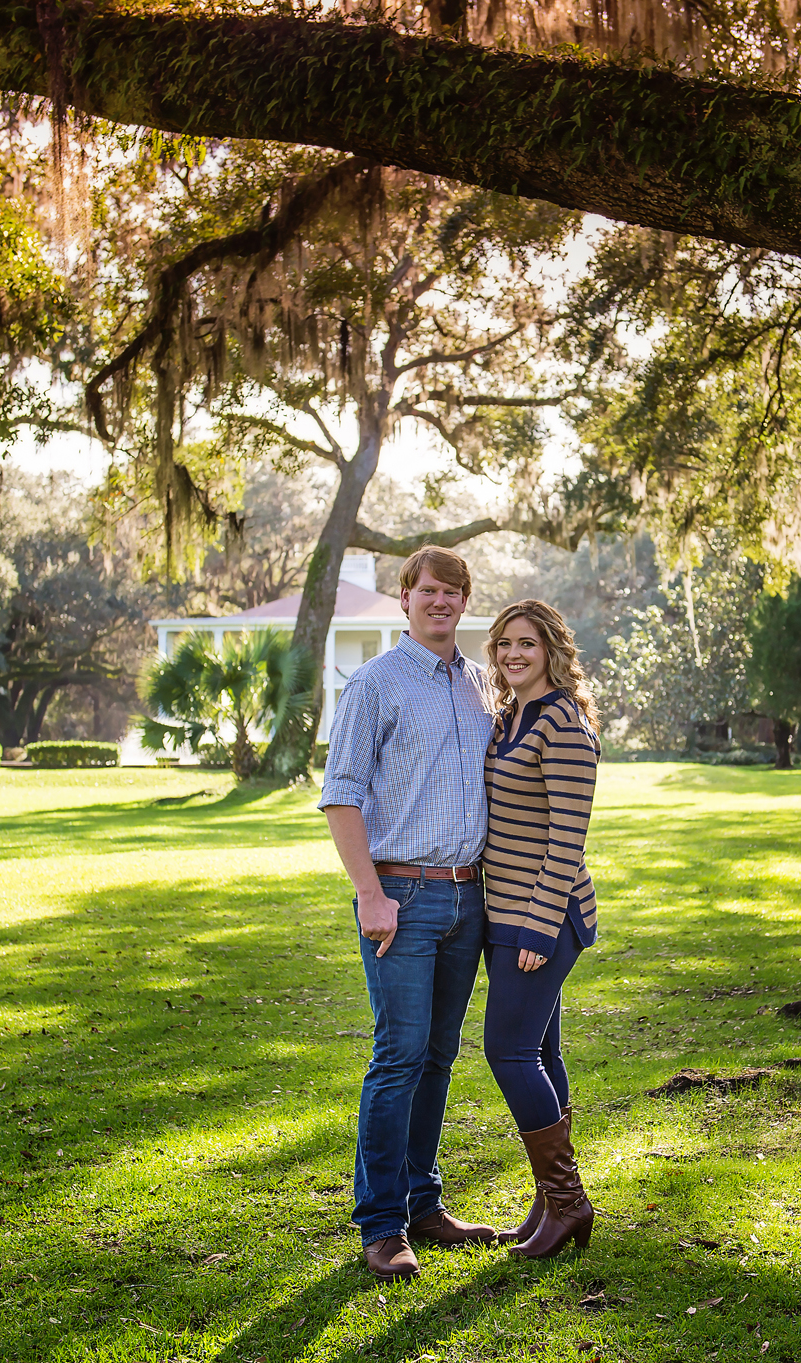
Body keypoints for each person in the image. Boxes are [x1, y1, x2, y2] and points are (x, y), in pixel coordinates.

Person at [316, 545, 504, 1282]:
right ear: (404, 597)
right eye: (429, 590)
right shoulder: (375, 684)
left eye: (454, 591)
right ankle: (382, 1223)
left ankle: (425, 1203)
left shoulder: (482, 685)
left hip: (469, 894)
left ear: (464, 601)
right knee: (397, 1056)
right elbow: (342, 793)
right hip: (403, 896)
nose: (442, 601)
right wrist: (370, 892)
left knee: (437, 1055)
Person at [479, 599, 601, 1258]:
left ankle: (570, 1200)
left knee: (508, 1051)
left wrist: (536, 926)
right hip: (507, 915)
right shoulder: (511, 718)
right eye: (503, 645)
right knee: (543, 1055)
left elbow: (566, 839)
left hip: (544, 919)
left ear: (551, 649)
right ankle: (551, 1201)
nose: (513, 655)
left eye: (526, 643)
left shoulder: (564, 724)